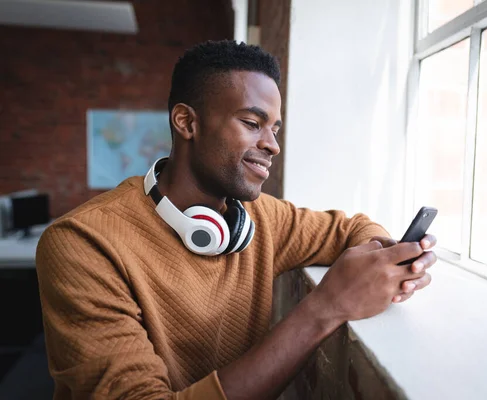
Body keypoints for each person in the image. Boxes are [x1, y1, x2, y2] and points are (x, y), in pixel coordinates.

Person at [35, 40, 437, 400]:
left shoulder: (261, 218)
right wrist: (325, 308)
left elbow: (354, 229)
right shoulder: (82, 244)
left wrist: (391, 260)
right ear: (186, 122)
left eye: (275, 128)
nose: (273, 145)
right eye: (252, 123)